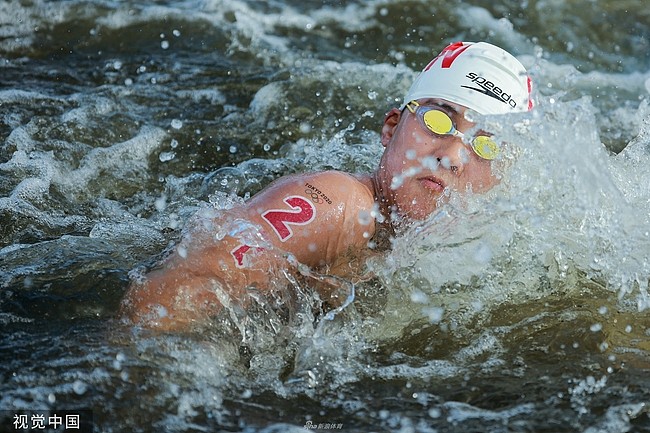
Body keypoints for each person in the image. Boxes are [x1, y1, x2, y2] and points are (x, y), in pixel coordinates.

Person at [121, 41, 534, 330]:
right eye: (438, 121)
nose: (453, 155)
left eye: (485, 144)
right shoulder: (334, 203)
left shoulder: (479, 247)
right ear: (392, 128)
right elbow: (164, 299)